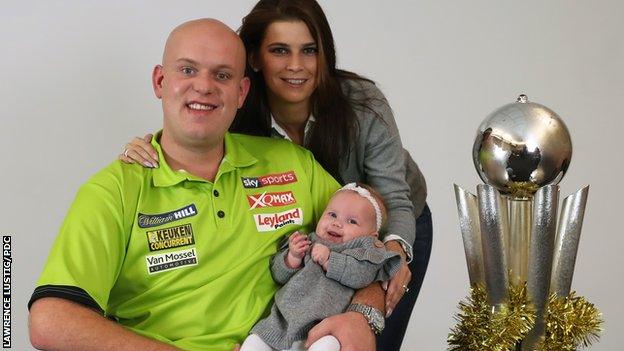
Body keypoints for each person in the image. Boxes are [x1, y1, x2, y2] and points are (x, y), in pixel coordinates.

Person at [122, 1, 433, 349]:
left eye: (309, 50)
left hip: (393, 222)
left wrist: (392, 254)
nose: (296, 65)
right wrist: (153, 144)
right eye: (280, 50)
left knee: (363, 336)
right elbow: (193, 131)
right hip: (312, 236)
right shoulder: (238, 112)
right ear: (254, 58)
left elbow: (394, 197)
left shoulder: (362, 104)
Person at [28, 18, 347, 351]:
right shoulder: (113, 191)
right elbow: (50, 319)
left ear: (241, 93)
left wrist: (362, 315)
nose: (204, 87)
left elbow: (370, 233)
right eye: (188, 71)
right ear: (160, 81)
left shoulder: (292, 164)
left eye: (222, 75)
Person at [241, 183, 401, 351]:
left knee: (328, 346)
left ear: (371, 236)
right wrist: (292, 258)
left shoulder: (364, 254)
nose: (337, 224)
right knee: (254, 341)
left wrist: (330, 260)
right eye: (332, 214)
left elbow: (362, 276)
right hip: (281, 324)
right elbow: (279, 276)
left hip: (323, 329)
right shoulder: (308, 242)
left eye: (351, 221)